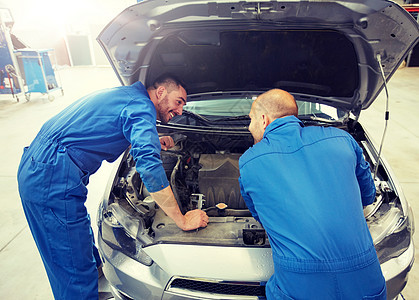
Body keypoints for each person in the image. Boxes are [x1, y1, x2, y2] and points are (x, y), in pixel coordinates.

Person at [17, 74, 209, 300]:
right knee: (71, 265)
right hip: (50, 174)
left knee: (78, 238)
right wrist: (182, 220)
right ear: (160, 92)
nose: (179, 112)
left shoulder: (129, 97)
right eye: (178, 102)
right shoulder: (141, 107)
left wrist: (152, 139)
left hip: (43, 163)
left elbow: (111, 125)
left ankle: (96, 277)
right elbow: (149, 168)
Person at [238, 89, 386, 299]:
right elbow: (368, 195)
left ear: (263, 120)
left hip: (301, 288)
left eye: (250, 119)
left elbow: (262, 217)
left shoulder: (248, 162)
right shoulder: (342, 139)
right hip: (366, 281)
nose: (248, 126)